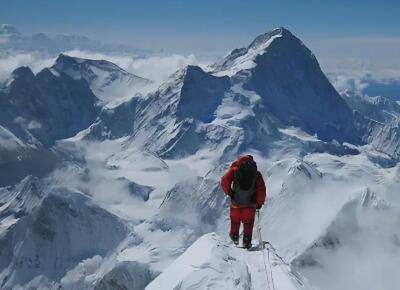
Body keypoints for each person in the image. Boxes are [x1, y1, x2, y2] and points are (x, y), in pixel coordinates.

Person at [220, 155, 267, 249]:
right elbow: (261, 189)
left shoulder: (234, 171)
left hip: (236, 203)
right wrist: (259, 203)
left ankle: (234, 239)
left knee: (235, 221)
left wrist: (229, 193)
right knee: (248, 223)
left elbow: (224, 180)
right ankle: (247, 242)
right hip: (250, 204)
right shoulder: (257, 174)